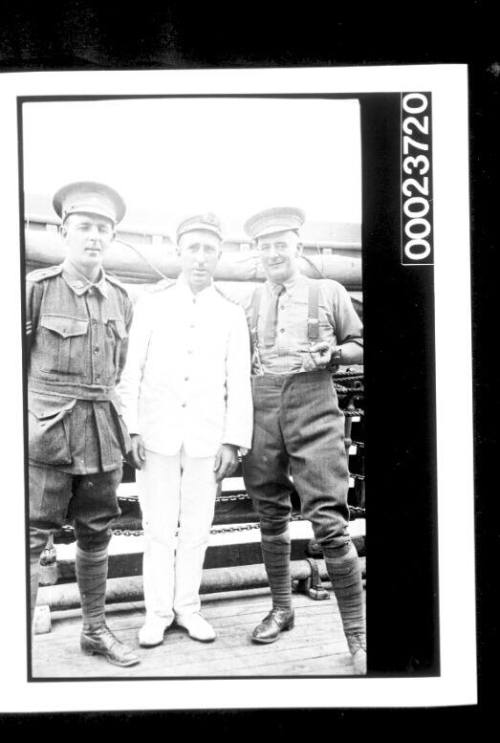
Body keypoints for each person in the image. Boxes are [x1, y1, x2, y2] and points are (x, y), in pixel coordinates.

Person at [241, 206, 366, 674]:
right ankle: (281, 609)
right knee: (269, 511)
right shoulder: (248, 301)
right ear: (257, 252)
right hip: (262, 408)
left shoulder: (328, 292)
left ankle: (357, 636)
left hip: (315, 403)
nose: (274, 252)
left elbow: (360, 345)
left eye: (281, 243)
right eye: (265, 246)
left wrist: (334, 351)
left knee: (330, 522)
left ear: (298, 246)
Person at [118, 213, 253, 648]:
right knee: (158, 527)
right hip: (155, 436)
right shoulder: (152, 305)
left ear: (218, 254)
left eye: (208, 249)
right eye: (192, 247)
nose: (200, 257)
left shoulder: (231, 314)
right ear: (179, 251)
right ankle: (156, 614)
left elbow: (239, 383)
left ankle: (188, 609)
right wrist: (133, 429)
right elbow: (130, 372)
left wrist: (233, 440)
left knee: (197, 527)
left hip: (206, 439)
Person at [26, 181, 139, 667]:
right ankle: (15, 650)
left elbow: (122, 371)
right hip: (45, 435)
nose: (94, 236)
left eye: (103, 229)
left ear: (111, 238)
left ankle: (94, 630)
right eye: (85, 227)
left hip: (102, 435)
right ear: (63, 232)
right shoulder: (35, 290)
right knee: (31, 536)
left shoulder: (122, 297)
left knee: (97, 533)